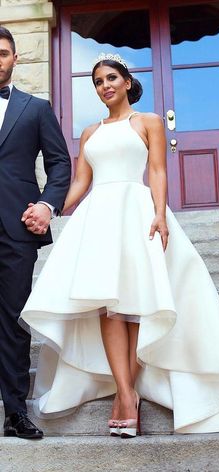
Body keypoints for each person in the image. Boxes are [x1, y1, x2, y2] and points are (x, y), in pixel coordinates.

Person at [21, 52, 219, 438]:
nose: (105, 86)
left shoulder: (149, 121)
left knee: (134, 306)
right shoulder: (90, 133)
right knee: (107, 307)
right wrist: (50, 209)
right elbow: (81, 183)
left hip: (136, 214)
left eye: (110, 79)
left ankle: (128, 393)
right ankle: (125, 392)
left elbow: (156, 169)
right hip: (99, 220)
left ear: (126, 81)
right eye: (98, 82)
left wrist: (159, 213)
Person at [0, 26, 71, 439]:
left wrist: (46, 205)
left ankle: (14, 412)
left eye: (3, 53)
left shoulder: (36, 108)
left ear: (14, 58)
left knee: (12, 320)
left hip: (17, 227)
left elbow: (60, 163)